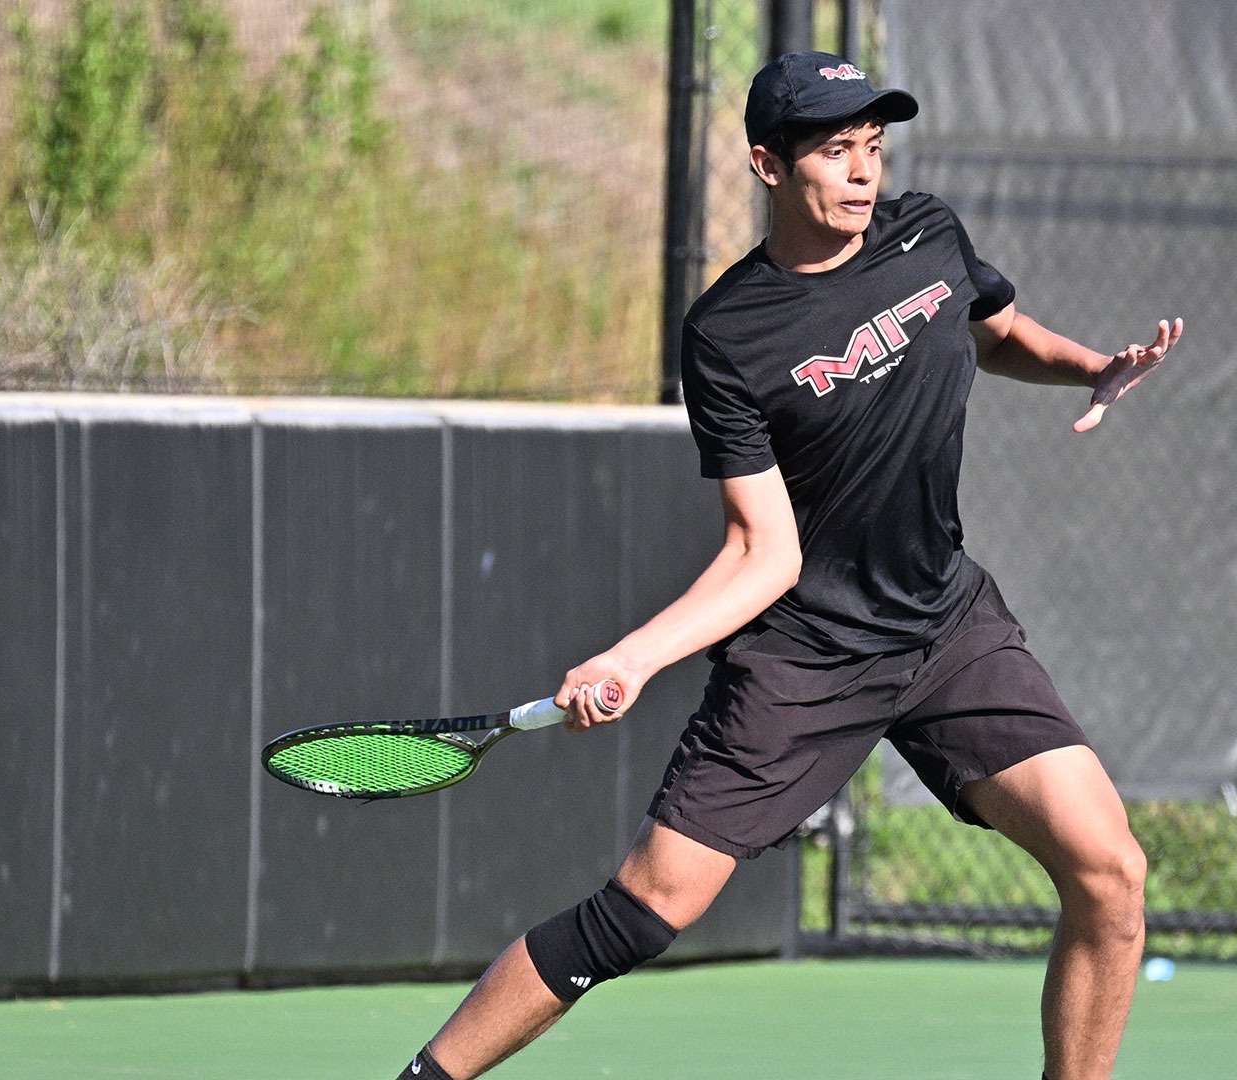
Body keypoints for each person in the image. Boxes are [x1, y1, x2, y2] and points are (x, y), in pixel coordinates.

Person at [396, 51, 1181, 1080]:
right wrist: (632, 657)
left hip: (947, 628)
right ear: (769, 166)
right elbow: (765, 552)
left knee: (1110, 874)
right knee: (642, 913)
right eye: (833, 151)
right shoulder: (730, 334)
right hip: (805, 658)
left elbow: (990, 328)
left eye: (872, 148)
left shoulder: (927, 232)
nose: (861, 173)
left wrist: (1088, 365)